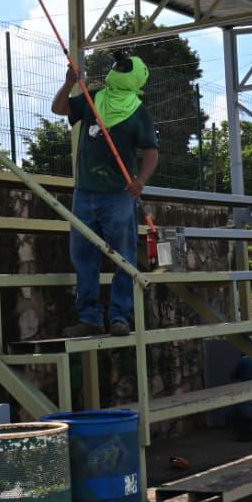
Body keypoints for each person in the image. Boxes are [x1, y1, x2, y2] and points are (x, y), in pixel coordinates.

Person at [50, 53, 159, 338]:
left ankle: (120, 318)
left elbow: (151, 153)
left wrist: (140, 181)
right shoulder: (92, 96)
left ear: (136, 76)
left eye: (123, 67)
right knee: (83, 256)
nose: (116, 69)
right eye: (116, 66)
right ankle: (90, 318)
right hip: (84, 193)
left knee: (123, 257)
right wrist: (69, 83)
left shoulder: (138, 112)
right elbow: (58, 109)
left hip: (118, 196)